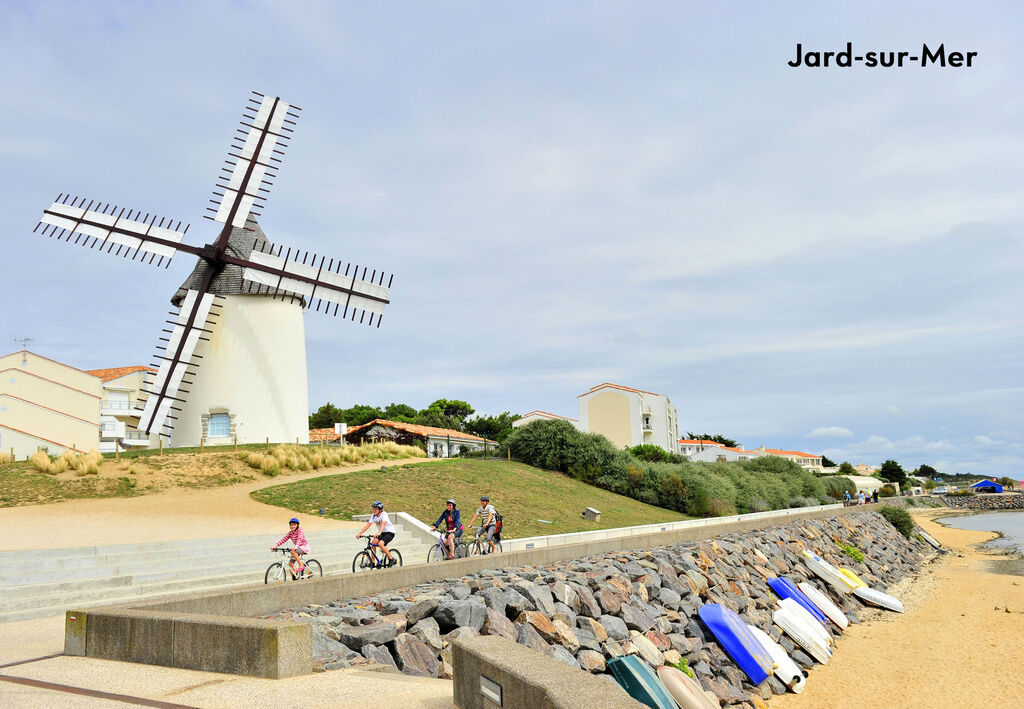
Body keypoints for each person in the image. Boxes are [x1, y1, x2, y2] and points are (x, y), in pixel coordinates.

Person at [355, 501, 397, 567]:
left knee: (380, 544)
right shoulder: (373, 516)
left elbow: (383, 524)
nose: (374, 510)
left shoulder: (384, 514)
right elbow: (368, 525)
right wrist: (359, 533)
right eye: (373, 509)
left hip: (390, 532)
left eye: (376, 509)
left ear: (380, 510)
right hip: (382, 532)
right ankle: (373, 562)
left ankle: (391, 559)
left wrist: (379, 533)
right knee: (373, 543)